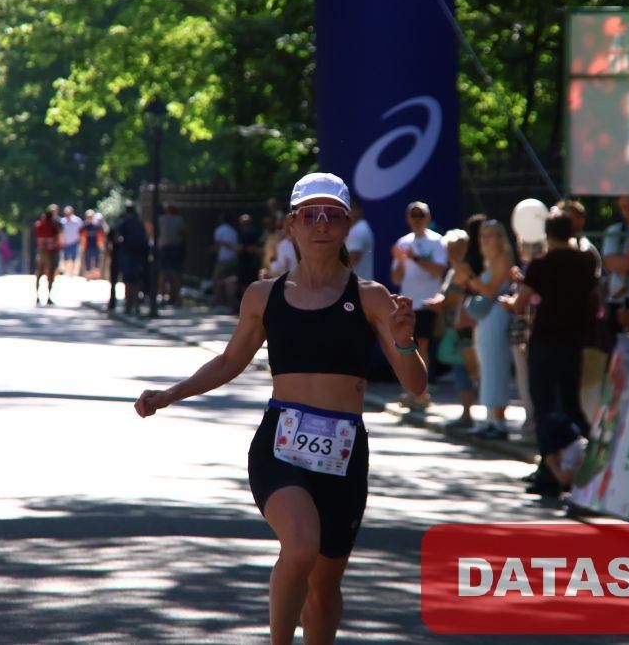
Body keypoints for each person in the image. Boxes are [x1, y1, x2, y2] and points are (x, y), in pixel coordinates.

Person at [134, 172, 426, 644]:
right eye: (310, 215)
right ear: (292, 225)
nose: (321, 224)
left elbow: (415, 385)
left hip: (344, 454)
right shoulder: (263, 296)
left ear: (347, 224)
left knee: (325, 586)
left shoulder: (370, 297)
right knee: (302, 547)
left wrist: (405, 341)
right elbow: (229, 361)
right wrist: (170, 394)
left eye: (332, 215)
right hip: (280, 447)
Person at [502, 213, 597, 497]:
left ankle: (549, 471)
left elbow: (520, 305)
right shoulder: (585, 261)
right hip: (574, 340)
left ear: (547, 233)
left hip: (545, 341)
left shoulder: (541, 264)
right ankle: (589, 464)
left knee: (545, 407)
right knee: (570, 404)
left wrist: (509, 301)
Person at [453, 220, 513, 438]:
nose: (485, 240)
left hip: (497, 317)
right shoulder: (490, 261)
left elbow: (489, 291)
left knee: (496, 366)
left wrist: (470, 276)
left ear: (500, 238)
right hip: (486, 320)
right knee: (486, 369)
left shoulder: (503, 259)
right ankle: (489, 419)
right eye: (482, 236)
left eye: (490, 235)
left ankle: (499, 422)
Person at [390, 201, 447, 409]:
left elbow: (438, 270)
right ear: (408, 219)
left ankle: (421, 393)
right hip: (407, 302)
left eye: (420, 215)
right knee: (406, 346)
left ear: (428, 218)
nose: (417, 220)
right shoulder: (403, 242)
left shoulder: (437, 241)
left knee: (422, 346)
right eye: (413, 215)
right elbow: (396, 278)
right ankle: (411, 390)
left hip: (427, 303)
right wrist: (402, 261)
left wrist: (415, 258)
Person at [423, 229, 478, 429]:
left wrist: (443, 302)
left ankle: (478, 415)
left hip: (467, 329)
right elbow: (446, 294)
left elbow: (461, 295)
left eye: (458, 248)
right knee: (461, 372)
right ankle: (467, 414)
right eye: (450, 249)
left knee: (472, 372)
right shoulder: (453, 271)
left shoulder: (469, 269)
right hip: (453, 327)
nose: (453, 253)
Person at [116, 200, 149, 315]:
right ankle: (136, 304)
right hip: (139, 254)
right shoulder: (139, 223)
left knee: (128, 280)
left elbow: (118, 237)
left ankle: (128, 305)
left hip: (128, 253)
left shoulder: (125, 222)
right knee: (137, 279)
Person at [156, 203, 186, 306]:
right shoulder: (179, 219)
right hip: (175, 248)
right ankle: (177, 298)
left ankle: (163, 297)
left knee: (163, 273)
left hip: (164, 248)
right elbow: (183, 233)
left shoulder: (161, 219)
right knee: (175, 273)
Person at [34, 205, 62, 306]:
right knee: (50, 275)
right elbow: (58, 237)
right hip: (51, 253)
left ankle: (37, 296)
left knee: (39, 274)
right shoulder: (54, 226)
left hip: (41, 252)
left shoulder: (39, 225)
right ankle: (49, 296)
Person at [211, 214, 239, 311]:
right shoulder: (234, 231)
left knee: (216, 281)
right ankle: (230, 304)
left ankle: (220, 302)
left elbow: (217, 246)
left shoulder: (219, 230)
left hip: (223, 259)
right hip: (234, 259)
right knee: (230, 282)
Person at [345, 202, 374, 281]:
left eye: (349, 209)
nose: (346, 213)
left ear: (358, 210)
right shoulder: (361, 227)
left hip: (356, 285)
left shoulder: (357, 230)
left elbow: (353, 259)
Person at [60, 205, 83, 277]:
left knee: (74, 258)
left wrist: (81, 241)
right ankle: (67, 271)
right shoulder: (62, 221)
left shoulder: (77, 221)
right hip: (65, 242)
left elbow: (81, 231)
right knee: (65, 258)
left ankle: (72, 272)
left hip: (74, 242)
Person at [80, 210, 103, 278]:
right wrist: (82, 245)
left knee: (97, 260)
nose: (89, 218)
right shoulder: (84, 226)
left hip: (96, 245)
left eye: (91, 217)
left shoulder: (97, 225)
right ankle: (88, 275)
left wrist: (101, 245)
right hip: (87, 246)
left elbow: (101, 235)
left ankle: (96, 275)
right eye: (88, 217)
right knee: (87, 260)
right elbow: (81, 236)